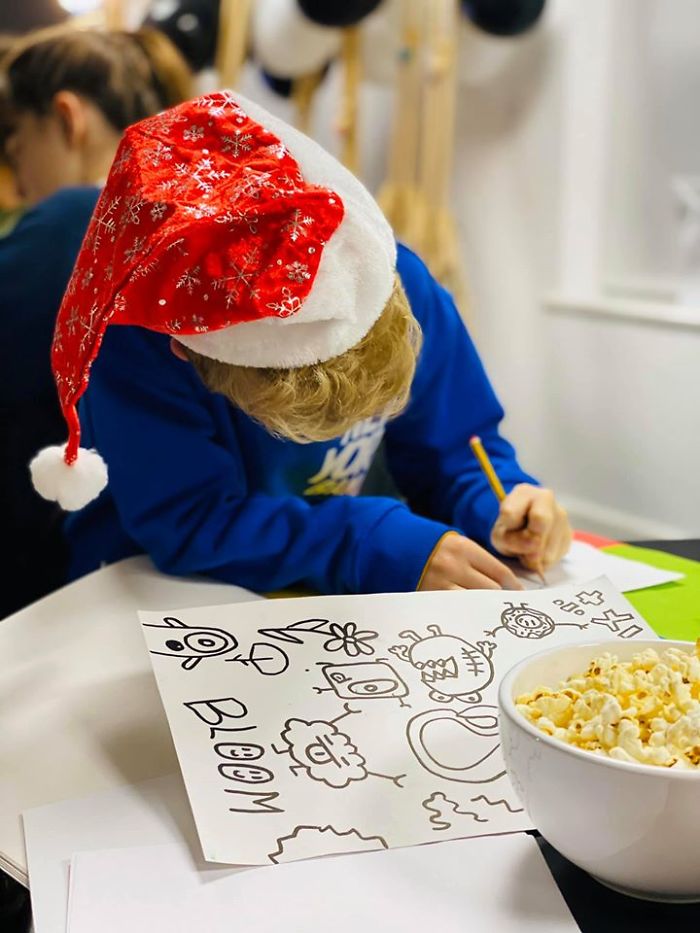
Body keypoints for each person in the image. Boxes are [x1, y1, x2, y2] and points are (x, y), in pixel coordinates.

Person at [31, 91, 572, 596]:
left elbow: (458, 447)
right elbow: (189, 521)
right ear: (190, 354)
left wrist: (499, 499)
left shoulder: (403, 284)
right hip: (155, 589)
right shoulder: (139, 340)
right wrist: (368, 541)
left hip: (329, 579)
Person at [0, 27, 192, 618]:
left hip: (54, 580)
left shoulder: (74, 219)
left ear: (68, 118)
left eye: (16, 146)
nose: (19, 183)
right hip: (171, 561)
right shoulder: (186, 222)